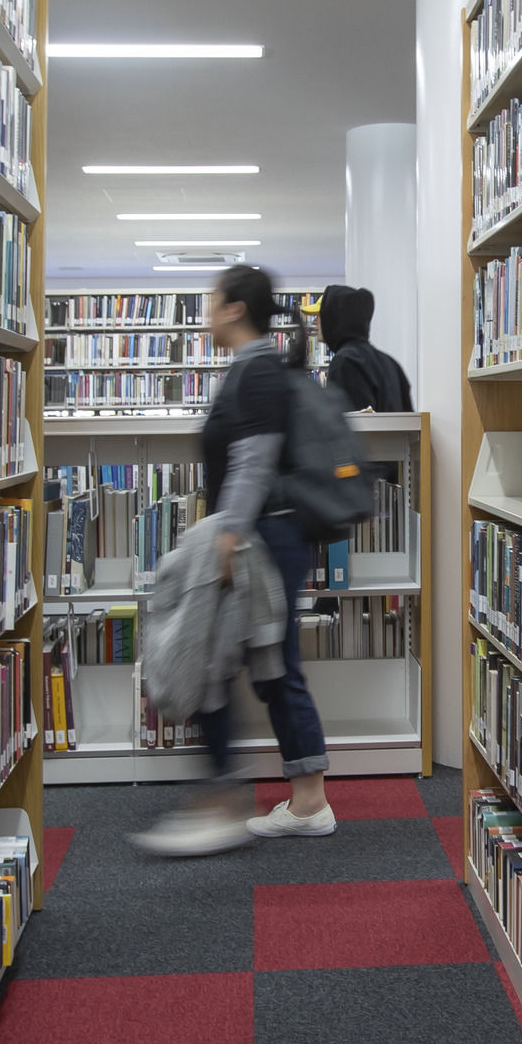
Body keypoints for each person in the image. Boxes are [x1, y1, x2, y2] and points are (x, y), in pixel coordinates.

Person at [131, 263, 336, 855]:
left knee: (221, 664)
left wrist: (229, 537)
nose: (206, 310)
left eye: (212, 300)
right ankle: (297, 797)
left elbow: (253, 461)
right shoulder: (257, 368)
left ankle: (233, 800)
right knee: (265, 669)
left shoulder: (259, 372)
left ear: (234, 309)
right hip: (260, 538)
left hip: (257, 541)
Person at [318, 284, 413, 412]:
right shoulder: (391, 363)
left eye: (321, 316)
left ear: (334, 319)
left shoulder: (345, 363)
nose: (315, 321)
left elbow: (346, 427)